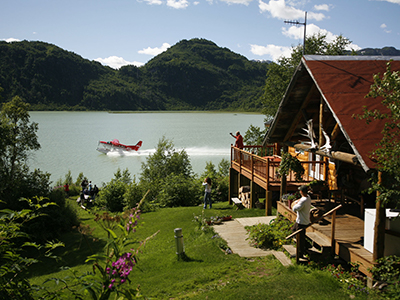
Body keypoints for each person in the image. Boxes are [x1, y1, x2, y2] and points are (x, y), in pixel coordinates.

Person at [291, 185, 311, 257]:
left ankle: (300, 253)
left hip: (301, 222)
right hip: (302, 220)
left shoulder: (303, 201)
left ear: (301, 191)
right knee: (294, 231)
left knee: (300, 238)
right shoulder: (308, 197)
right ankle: (306, 245)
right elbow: (301, 199)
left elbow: (295, 209)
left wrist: (295, 204)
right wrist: (298, 201)